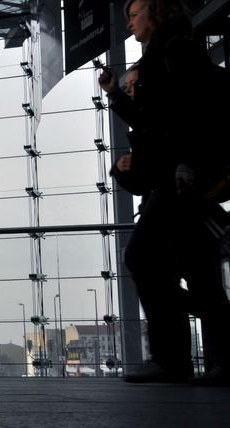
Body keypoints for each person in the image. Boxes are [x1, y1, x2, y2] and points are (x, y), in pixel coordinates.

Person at [100, 0, 230, 385]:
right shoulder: (165, 52)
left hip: (178, 179)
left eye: (135, 13)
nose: (129, 21)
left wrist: (186, 164)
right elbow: (158, 122)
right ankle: (195, 358)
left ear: (156, 13)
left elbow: (186, 117)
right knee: (195, 270)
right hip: (175, 177)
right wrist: (118, 97)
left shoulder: (174, 51)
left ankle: (173, 358)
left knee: (146, 258)